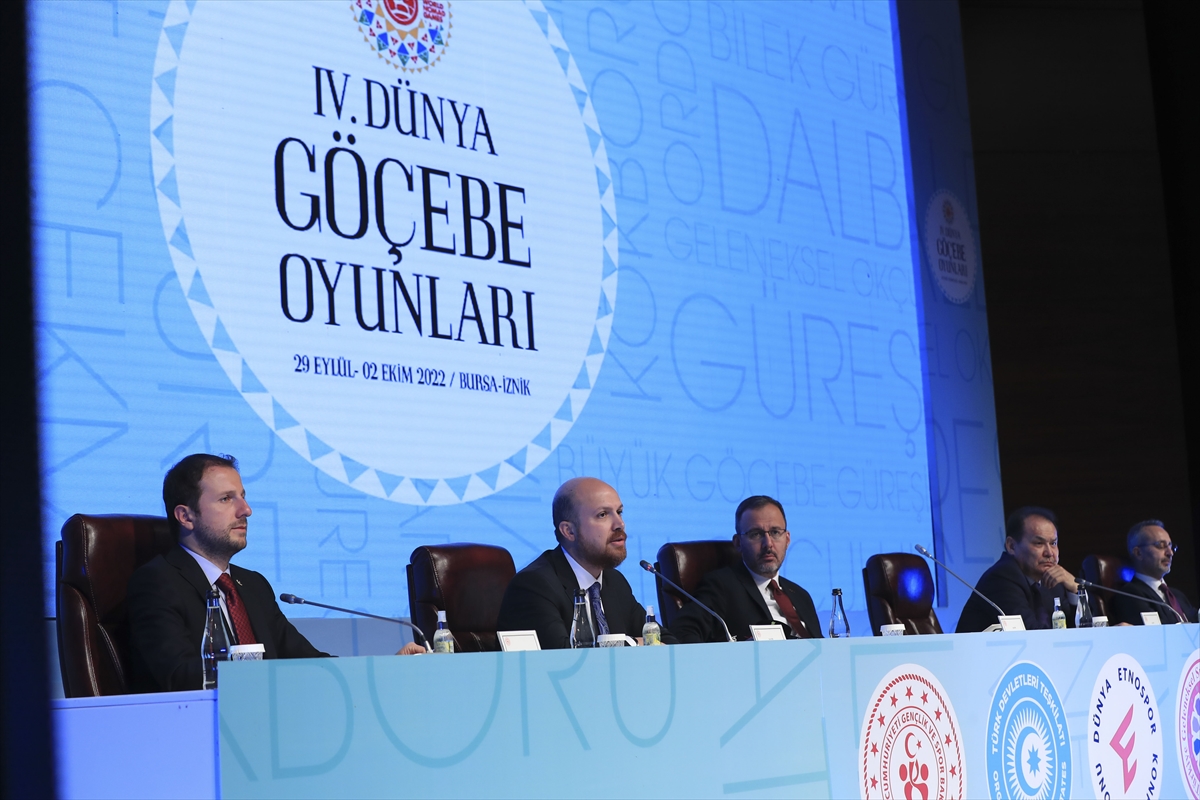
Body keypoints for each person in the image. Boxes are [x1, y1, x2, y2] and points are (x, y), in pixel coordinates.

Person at [128, 453, 422, 692]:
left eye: (243, 496)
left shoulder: (252, 585)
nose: (246, 510)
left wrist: (384, 670)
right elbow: (178, 676)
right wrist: (256, 671)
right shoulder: (157, 583)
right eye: (226, 499)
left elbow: (309, 663)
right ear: (186, 516)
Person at [495, 477, 674, 648]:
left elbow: (667, 641)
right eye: (602, 515)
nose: (619, 524)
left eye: (619, 512)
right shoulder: (534, 586)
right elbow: (564, 658)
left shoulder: (614, 581)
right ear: (569, 531)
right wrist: (633, 643)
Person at [672, 495, 822, 643]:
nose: (768, 544)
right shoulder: (721, 586)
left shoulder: (801, 595)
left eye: (775, 532)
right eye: (756, 534)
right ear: (738, 543)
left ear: (787, 539)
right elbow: (683, 632)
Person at [956, 506, 1078, 632]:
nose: (1049, 553)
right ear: (1012, 546)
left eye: (1053, 543)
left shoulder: (1052, 581)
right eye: (1039, 543)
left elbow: (1080, 628)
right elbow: (1031, 633)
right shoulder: (1002, 578)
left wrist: (1075, 589)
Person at [1109, 519, 1197, 625]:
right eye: (1161, 545)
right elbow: (1158, 631)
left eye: (1170, 546)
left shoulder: (1177, 595)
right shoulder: (1130, 595)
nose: (1170, 553)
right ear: (1138, 553)